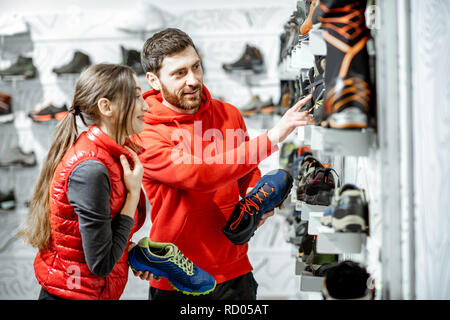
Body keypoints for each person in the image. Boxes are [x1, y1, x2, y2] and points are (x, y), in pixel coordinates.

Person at [134, 28, 314, 300]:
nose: (193, 79)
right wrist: (272, 137)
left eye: (196, 67)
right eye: (179, 73)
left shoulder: (228, 114)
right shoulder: (146, 131)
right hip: (176, 277)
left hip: (234, 271)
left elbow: (245, 173)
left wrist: (259, 200)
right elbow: (198, 175)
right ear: (154, 80)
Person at [16, 64, 153, 300]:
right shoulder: (92, 169)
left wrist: (129, 252)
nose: (146, 105)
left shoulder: (109, 157)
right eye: (136, 96)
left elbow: (96, 241)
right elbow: (100, 264)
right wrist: (132, 195)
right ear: (106, 106)